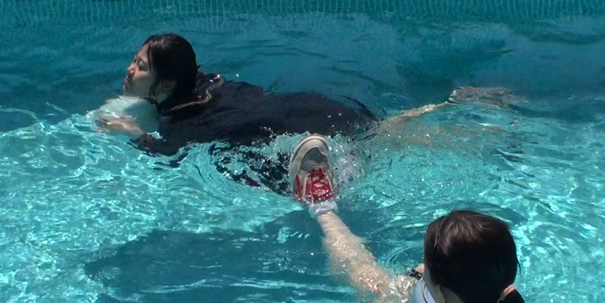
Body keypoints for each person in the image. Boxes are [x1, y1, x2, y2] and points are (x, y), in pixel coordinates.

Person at [288, 135, 589, 303]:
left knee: (375, 288)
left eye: (427, 272)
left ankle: (322, 209)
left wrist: (407, 282)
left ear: (444, 296)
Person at [96, 33, 455, 192]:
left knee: (384, 141)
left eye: (140, 67)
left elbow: (170, 154)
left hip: (287, 130)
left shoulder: (178, 122)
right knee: (385, 130)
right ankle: (452, 108)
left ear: (164, 86)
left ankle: (454, 121)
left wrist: (132, 133)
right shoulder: (207, 82)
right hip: (305, 105)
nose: (130, 69)